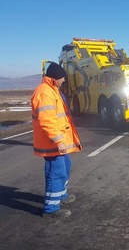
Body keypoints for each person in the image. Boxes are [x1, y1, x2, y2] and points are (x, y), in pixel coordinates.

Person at [31, 62, 82, 218]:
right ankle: (51, 209)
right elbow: (47, 120)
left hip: (58, 142)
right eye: (62, 78)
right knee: (56, 172)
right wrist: (58, 140)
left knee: (65, 166)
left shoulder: (52, 90)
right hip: (52, 143)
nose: (64, 81)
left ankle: (61, 195)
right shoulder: (44, 93)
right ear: (54, 78)